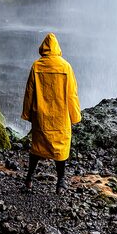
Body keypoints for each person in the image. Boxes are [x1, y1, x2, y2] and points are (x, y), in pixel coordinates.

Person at [20, 32, 82, 192]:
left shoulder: (37, 66)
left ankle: (29, 179)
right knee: (60, 151)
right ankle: (61, 182)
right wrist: (75, 116)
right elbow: (72, 94)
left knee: (37, 148)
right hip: (60, 117)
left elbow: (29, 92)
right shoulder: (66, 67)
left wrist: (27, 114)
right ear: (57, 48)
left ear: (43, 48)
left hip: (41, 117)